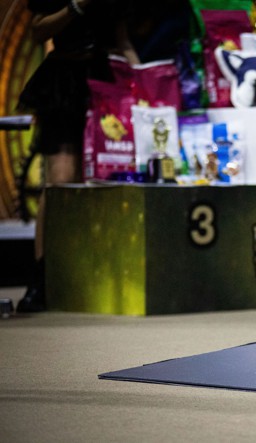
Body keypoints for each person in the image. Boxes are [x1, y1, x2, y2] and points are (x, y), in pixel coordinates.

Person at [16, 0, 139, 312]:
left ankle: (89, 276)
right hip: (62, 81)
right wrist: (74, 7)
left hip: (103, 81)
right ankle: (41, 278)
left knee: (99, 179)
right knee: (59, 181)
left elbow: (123, 41)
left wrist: (143, 88)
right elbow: (37, 31)